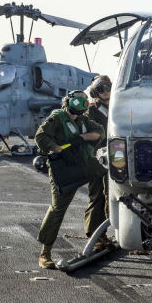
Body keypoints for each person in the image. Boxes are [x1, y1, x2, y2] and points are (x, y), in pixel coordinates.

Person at [34, 90, 107, 269]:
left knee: (104, 180)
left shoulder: (83, 121)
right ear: (69, 103)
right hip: (63, 169)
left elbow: (99, 131)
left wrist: (82, 137)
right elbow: (41, 136)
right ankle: (45, 252)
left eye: (83, 102)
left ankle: (97, 235)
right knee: (58, 208)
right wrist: (57, 149)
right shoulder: (57, 119)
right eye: (77, 102)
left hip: (82, 164)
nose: (81, 105)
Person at [86, 75, 112, 221]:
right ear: (95, 93)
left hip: (116, 157)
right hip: (98, 159)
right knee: (97, 197)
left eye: (107, 87)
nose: (105, 91)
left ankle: (113, 233)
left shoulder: (118, 106)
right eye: (100, 89)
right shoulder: (92, 111)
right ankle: (96, 237)